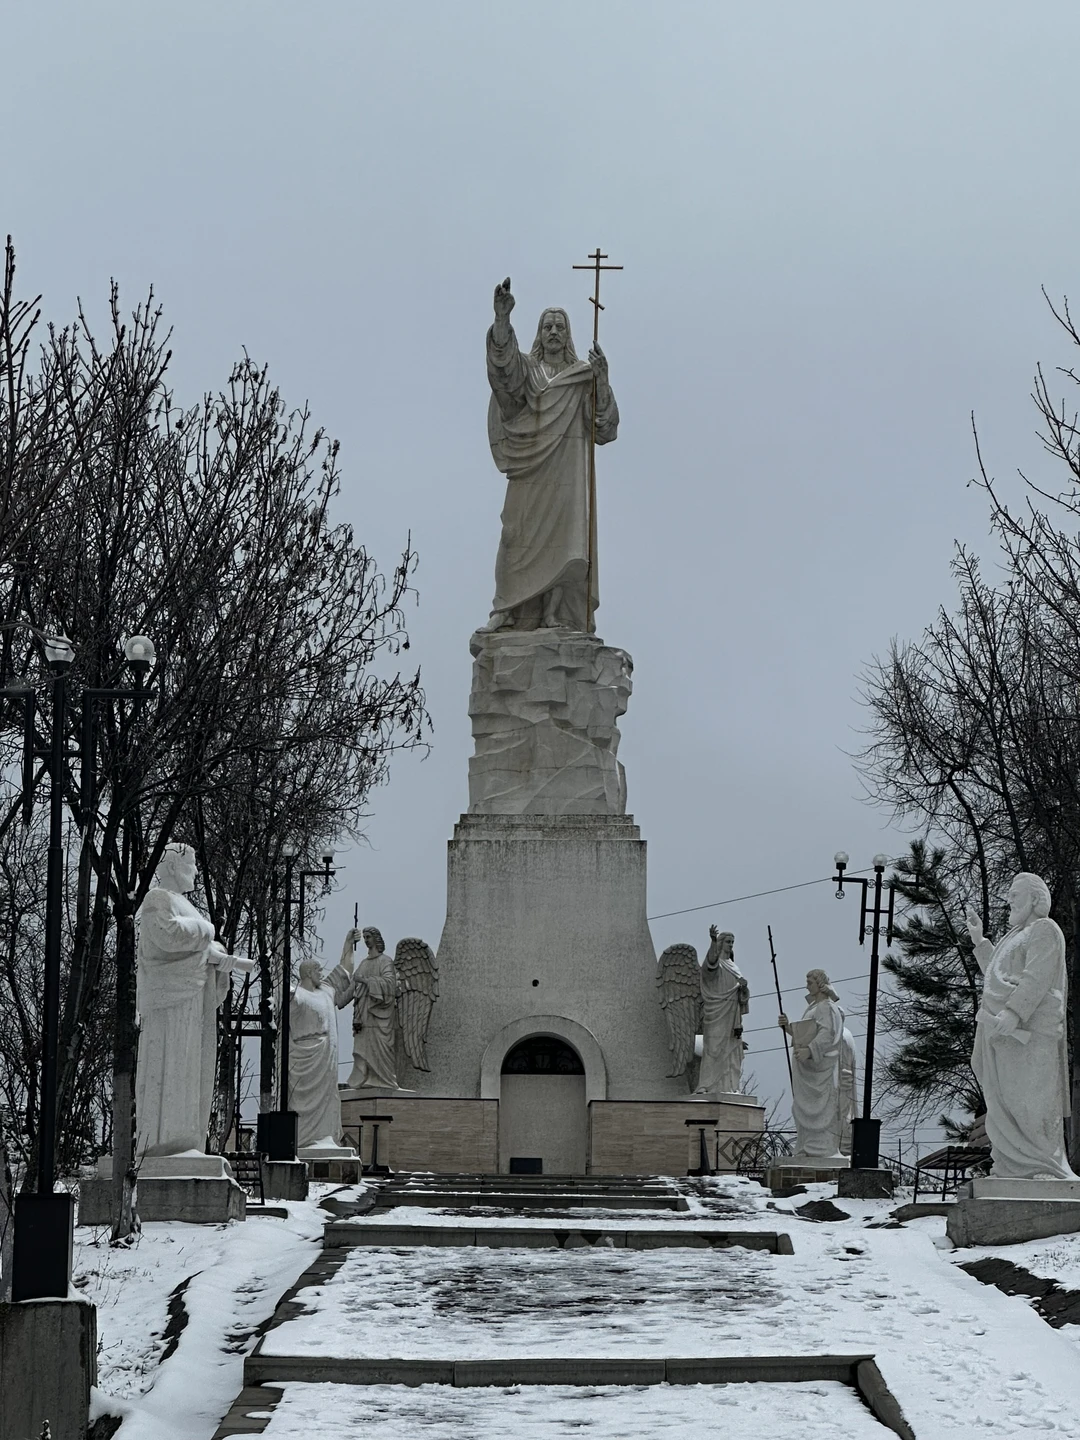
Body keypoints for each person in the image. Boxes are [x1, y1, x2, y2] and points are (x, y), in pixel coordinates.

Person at [484, 277, 619, 633]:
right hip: (529, 469)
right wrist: (502, 321)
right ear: (539, 333)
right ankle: (508, 608)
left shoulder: (580, 378)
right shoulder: (529, 370)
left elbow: (605, 428)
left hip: (567, 475)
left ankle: (555, 615)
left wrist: (601, 379)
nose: (554, 331)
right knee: (515, 534)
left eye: (560, 326)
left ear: (569, 334)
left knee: (565, 541)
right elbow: (504, 376)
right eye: (548, 326)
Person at [136, 843, 252, 1157]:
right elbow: (166, 936)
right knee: (170, 1068)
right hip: (169, 1003)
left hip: (191, 1001)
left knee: (190, 1072)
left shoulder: (187, 906)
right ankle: (162, 1142)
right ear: (173, 866)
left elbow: (196, 949)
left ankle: (186, 1140)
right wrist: (208, 932)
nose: (197, 871)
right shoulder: (157, 898)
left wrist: (219, 963)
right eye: (192, 864)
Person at [965, 873, 1077, 1180]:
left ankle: (1045, 1167)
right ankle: (1012, 1168)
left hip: (1029, 1035)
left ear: (1035, 898)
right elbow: (996, 978)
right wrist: (980, 941)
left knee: (1032, 1103)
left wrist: (1013, 1014)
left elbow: (1037, 978)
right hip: (1005, 1036)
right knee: (1010, 1104)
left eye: (1015, 894)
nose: (1009, 900)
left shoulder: (1045, 929)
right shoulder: (1014, 935)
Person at [288, 929, 362, 1148]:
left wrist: (348, 943)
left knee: (328, 1101)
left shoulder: (327, 991)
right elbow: (283, 1003)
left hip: (325, 1061)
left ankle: (325, 1139)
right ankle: (303, 1141)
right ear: (309, 973)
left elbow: (345, 970)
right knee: (300, 1104)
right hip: (303, 1060)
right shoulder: (297, 995)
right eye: (318, 970)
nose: (322, 973)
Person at [779, 970, 846, 1163]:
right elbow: (808, 1033)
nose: (807, 986)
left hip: (818, 1071)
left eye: (810, 982)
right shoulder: (814, 1007)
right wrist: (788, 1028)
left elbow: (827, 1034)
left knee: (819, 1108)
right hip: (806, 1069)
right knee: (802, 1108)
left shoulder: (825, 1006)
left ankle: (820, 1148)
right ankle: (806, 1146)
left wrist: (809, 1050)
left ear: (819, 984)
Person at [695, 927, 750, 1095]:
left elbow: (741, 995)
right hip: (716, 1011)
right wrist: (712, 941)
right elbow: (709, 966)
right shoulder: (716, 963)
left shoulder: (734, 967)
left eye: (732, 942)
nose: (731, 945)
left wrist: (744, 989)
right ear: (721, 943)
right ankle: (707, 1085)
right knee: (713, 1047)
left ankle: (729, 1086)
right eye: (727, 941)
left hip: (732, 1014)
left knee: (731, 1049)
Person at [346, 926, 401, 1090]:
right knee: (363, 1049)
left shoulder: (385, 961)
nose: (366, 940)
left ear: (376, 938)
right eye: (364, 937)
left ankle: (383, 1080)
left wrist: (365, 981)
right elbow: (349, 991)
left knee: (381, 1049)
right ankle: (365, 1077)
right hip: (363, 1016)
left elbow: (390, 986)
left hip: (380, 1016)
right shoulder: (363, 964)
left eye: (368, 936)